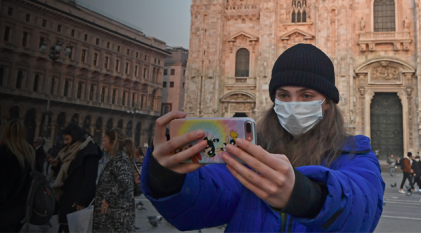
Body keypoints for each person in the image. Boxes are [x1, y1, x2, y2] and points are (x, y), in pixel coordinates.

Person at [140, 44, 385, 232]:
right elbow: (208, 198)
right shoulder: (252, 154)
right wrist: (166, 177)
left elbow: (362, 207)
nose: (293, 104)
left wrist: (307, 196)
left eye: (307, 95)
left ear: (327, 104)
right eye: (283, 95)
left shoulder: (355, 154)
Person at [49, 123, 102, 233]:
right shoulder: (70, 151)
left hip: (78, 203)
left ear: (75, 136)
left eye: (67, 139)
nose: (65, 142)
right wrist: (57, 166)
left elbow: (90, 178)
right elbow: (69, 174)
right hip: (68, 200)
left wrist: (82, 200)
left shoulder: (89, 149)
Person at [93, 128, 136, 233]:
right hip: (114, 215)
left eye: (105, 140)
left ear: (113, 142)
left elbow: (125, 181)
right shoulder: (117, 157)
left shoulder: (120, 158)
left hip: (117, 217)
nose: (103, 142)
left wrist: (108, 198)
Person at [0, 119, 35, 232]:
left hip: (4, 209)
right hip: (21, 210)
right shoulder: (30, 153)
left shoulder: (3, 152)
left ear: (6, 132)